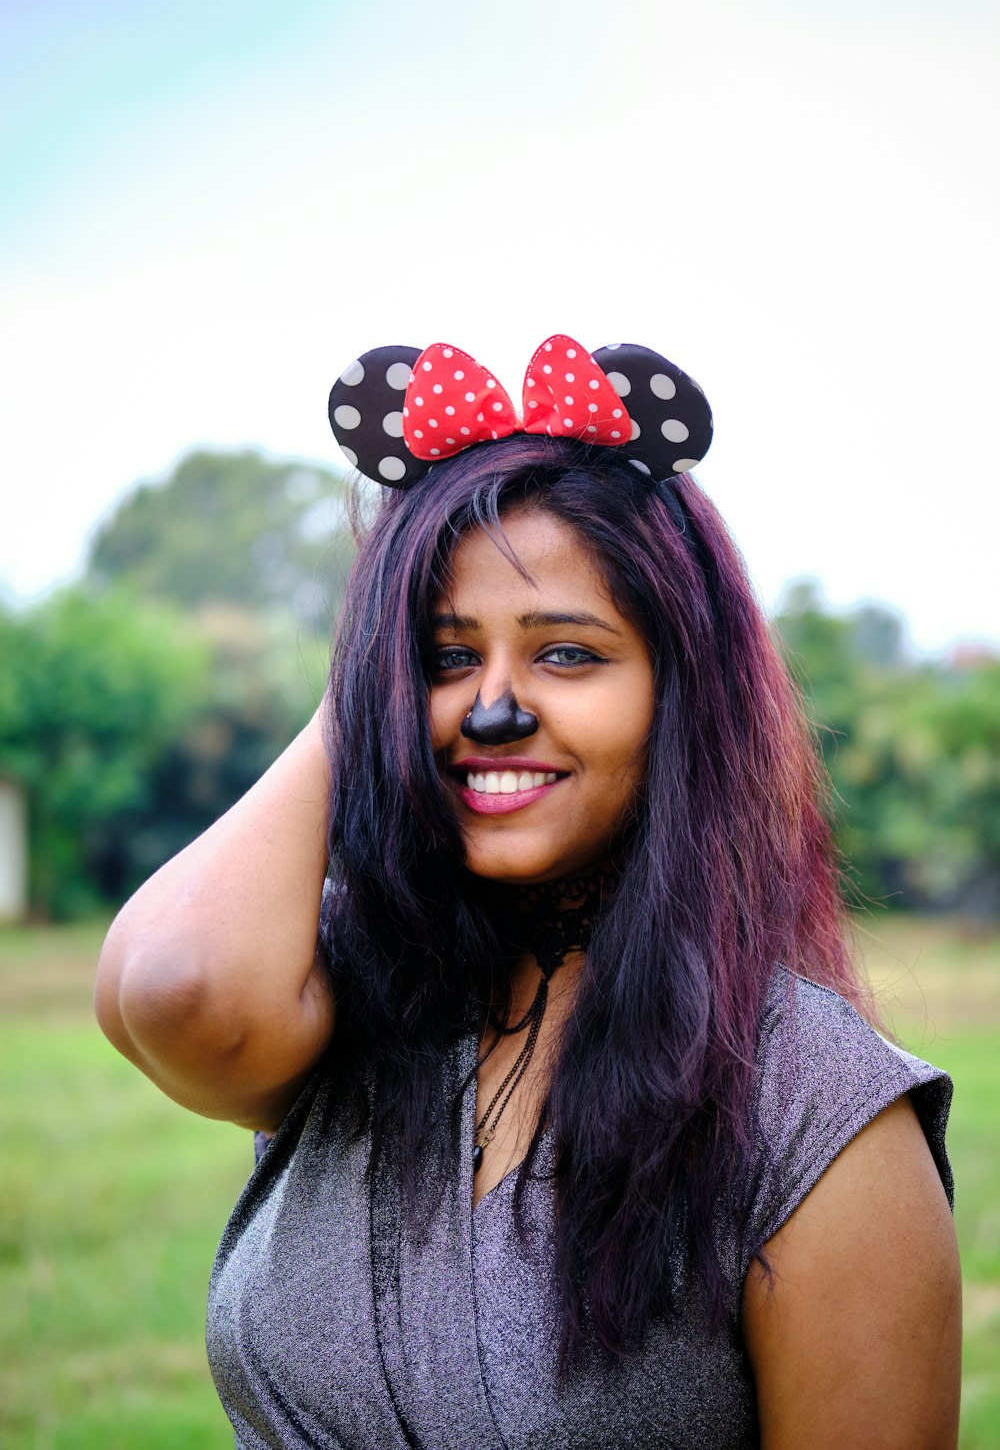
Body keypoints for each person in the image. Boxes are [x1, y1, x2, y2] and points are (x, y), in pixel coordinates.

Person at [95, 335, 961, 1449]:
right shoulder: (350, 998)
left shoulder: (809, 1106)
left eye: (565, 654)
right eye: (447, 658)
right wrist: (372, 669)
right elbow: (177, 990)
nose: (490, 710)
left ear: (679, 695)